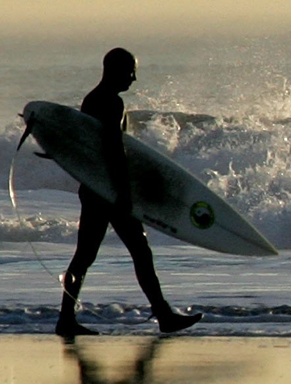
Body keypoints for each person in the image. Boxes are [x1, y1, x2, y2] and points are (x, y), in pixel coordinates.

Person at [55, 48, 202, 340]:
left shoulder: (91, 100)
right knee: (137, 253)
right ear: (113, 70)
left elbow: (90, 147)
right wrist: (124, 194)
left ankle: (67, 318)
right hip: (109, 193)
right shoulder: (111, 102)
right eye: (130, 71)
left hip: (97, 189)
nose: (134, 78)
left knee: (88, 257)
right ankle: (163, 316)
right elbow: (114, 151)